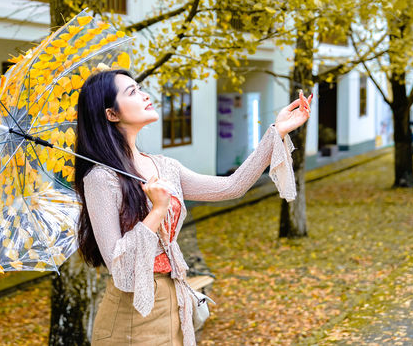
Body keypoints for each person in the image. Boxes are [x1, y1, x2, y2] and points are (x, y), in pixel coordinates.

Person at [74, 69, 312, 345]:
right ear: (111, 114)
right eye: (132, 92)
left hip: (175, 298)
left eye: (140, 88)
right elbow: (119, 264)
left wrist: (277, 131)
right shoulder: (101, 178)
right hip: (131, 314)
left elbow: (231, 186)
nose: (145, 95)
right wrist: (157, 211)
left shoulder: (164, 166)